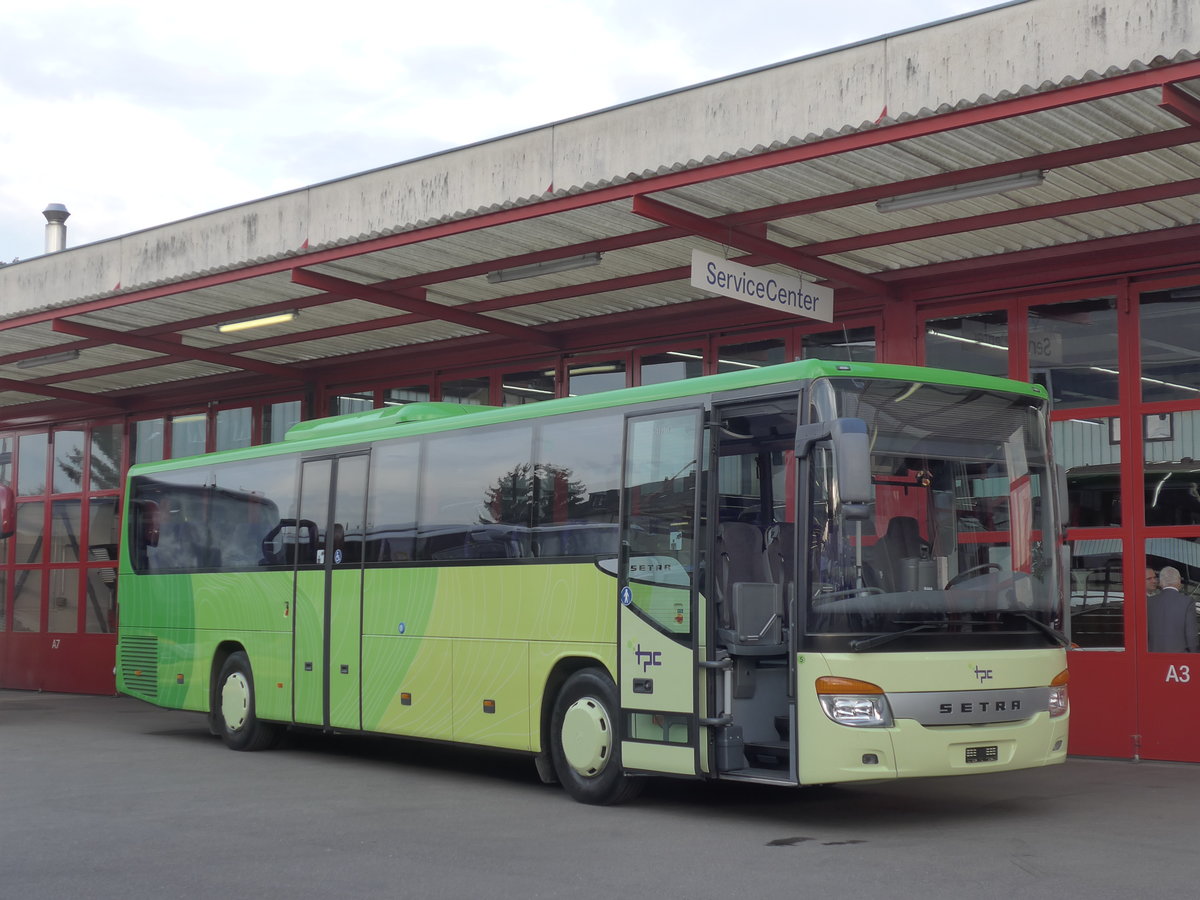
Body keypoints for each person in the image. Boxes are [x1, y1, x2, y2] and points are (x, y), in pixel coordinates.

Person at [1146, 565, 1199, 653]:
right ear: (1178, 581)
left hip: (1153, 658)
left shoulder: (1149, 602)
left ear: (1161, 582)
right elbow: (1191, 636)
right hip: (1179, 661)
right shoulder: (1187, 602)